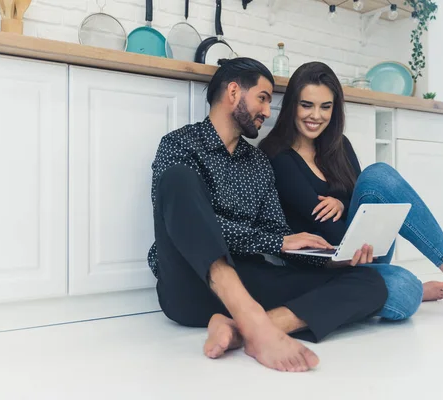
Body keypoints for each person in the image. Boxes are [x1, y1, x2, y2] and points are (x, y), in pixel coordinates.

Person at [147, 57, 390, 373]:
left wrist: (331, 258)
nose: (267, 111)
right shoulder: (180, 146)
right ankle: (255, 323)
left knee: (370, 283)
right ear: (234, 92)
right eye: (262, 98)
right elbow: (189, 222)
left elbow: (278, 235)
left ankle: (239, 327)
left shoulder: (259, 164)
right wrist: (278, 242)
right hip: (190, 286)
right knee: (177, 179)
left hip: (252, 279)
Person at [258, 61, 443, 327]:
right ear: (292, 104)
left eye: (325, 107)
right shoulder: (277, 156)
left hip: (363, 253)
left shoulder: (339, 145)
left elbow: (364, 199)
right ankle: (412, 288)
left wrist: (342, 203)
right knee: (405, 287)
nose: (316, 115)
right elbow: (331, 235)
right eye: (307, 105)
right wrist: (357, 229)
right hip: (324, 269)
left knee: (379, 176)